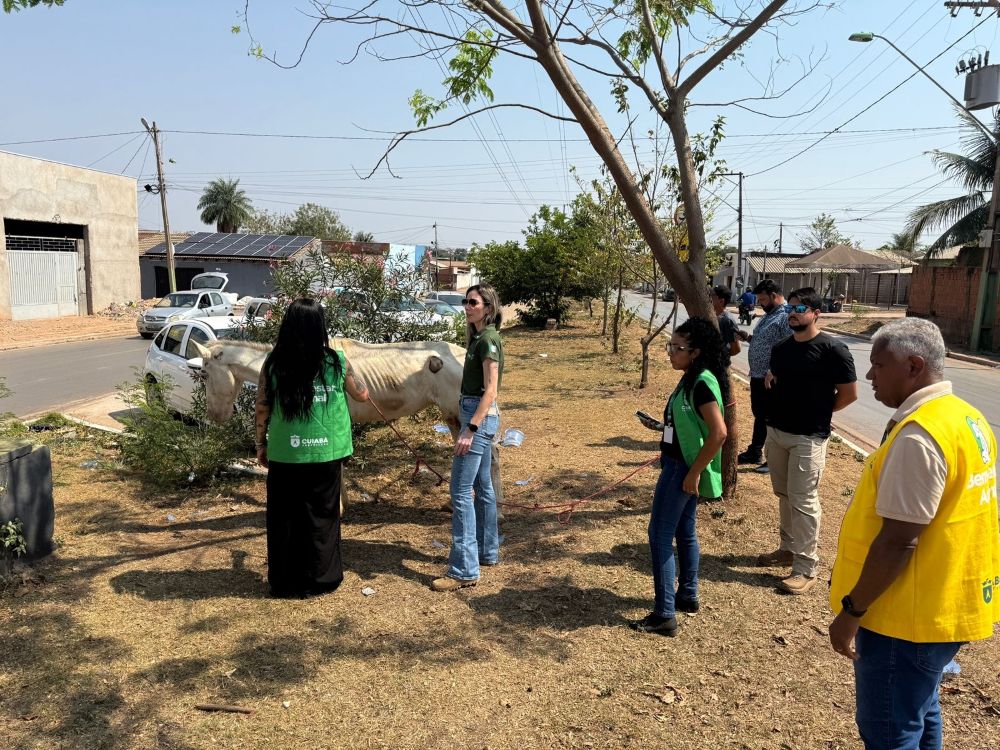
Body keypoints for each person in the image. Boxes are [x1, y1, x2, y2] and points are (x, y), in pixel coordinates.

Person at [829, 318, 999, 750]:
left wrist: (852, 611)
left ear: (913, 366)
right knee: (919, 709)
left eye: (878, 364)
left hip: (906, 617)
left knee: (890, 728)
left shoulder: (920, 436)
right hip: (945, 603)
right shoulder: (966, 417)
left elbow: (899, 540)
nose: (870, 375)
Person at [255, 298, 369, 599]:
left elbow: (262, 406)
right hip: (326, 451)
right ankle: (322, 578)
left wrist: (260, 444)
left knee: (284, 518)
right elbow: (362, 394)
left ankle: (285, 582)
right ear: (321, 327)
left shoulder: (273, 362)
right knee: (323, 516)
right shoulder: (337, 361)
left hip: (286, 451)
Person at [632, 317, 728, 636]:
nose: (670, 353)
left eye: (677, 348)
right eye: (669, 346)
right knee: (685, 531)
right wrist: (663, 428)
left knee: (659, 535)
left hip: (682, 469)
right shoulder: (691, 378)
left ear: (696, 352)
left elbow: (719, 433)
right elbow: (692, 423)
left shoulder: (701, 383)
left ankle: (664, 614)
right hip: (679, 463)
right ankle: (687, 594)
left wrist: (694, 473)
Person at [759, 288, 857, 594]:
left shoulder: (833, 350)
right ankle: (787, 549)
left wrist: (820, 412)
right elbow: (777, 379)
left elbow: (849, 394)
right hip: (777, 433)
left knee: (803, 500)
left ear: (816, 313)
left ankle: (805, 567)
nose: (793, 313)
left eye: (800, 308)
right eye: (790, 307)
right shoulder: (782, 348)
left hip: (808, 438)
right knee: (784, 494)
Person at [432, 283, 505, 592]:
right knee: (482, 486)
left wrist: (470, 429)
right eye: (465, 301)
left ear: (488, 308)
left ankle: (464, 570)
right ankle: (487, 551)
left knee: (460, 491)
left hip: (479, 416)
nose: (467, 306)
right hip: (476, 412)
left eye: (473, 302)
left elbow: (491, 391)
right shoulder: (478, 338)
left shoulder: (488, 340)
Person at [738, 279, 793, 472]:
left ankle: (774, 459)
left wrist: (777, 370)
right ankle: (755, 451)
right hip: (758, 376)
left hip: (772, 379)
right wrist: (748, 338)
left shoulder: (785, 316)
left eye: (763, 299)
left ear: (774, 296)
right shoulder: (770, 315)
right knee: (761, 416)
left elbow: (791, 346)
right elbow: (766, 341)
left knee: (772, 419)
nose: (760, 303)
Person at [710, 285, 741, 357]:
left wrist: (722, 358)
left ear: (721, 301)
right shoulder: (712, 315)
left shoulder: (727, 320)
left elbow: (736, 349)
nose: (709, 298)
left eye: (712, 296)